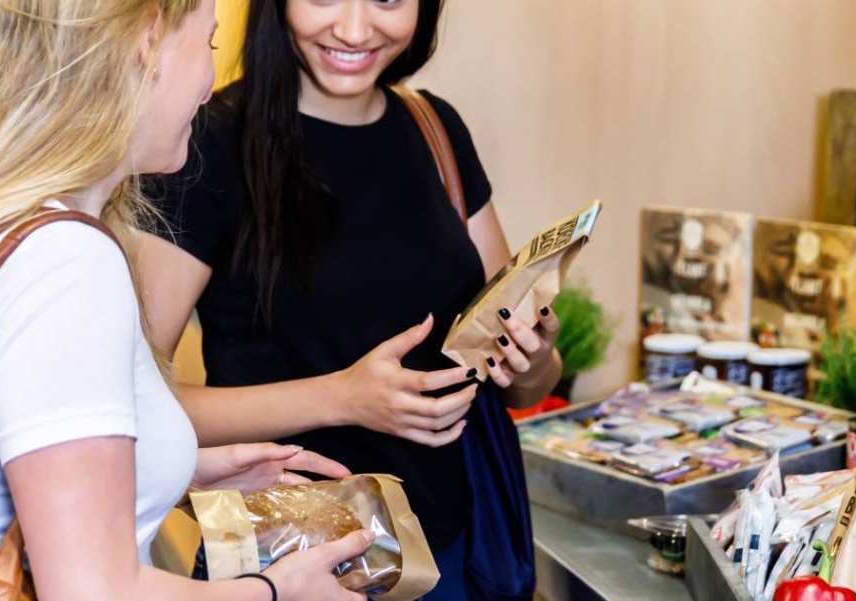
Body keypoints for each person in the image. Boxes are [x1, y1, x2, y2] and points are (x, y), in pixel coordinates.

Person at [0, 0, 371, 598]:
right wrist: (276, 591)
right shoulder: (64, 264)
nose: (211, 88)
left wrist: (173, 467)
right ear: (146, 42)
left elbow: (2, 458)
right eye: (207, 46)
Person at [137, 0, 552, 598]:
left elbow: (520, 378)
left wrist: (533, 359)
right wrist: (341, 398)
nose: (355, 30)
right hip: (292, 563)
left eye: (386, 0)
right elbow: (136, 401)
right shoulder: (207, 141)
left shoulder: (434, 129)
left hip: (451, 554)